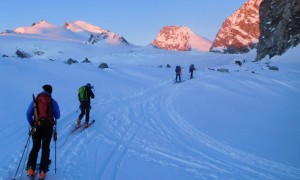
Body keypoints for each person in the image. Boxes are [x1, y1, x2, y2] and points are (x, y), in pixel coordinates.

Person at [26, 84, 60, 179]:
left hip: (36, 127)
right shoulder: (53, 102)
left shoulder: (35, 101)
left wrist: (32, 123)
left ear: (43, 90)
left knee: (35, 147)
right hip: (48, 128)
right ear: (50, 92)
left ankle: (30, 169)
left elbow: (28, 114)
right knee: (45, 149)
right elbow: (58, 116)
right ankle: (42, 172)